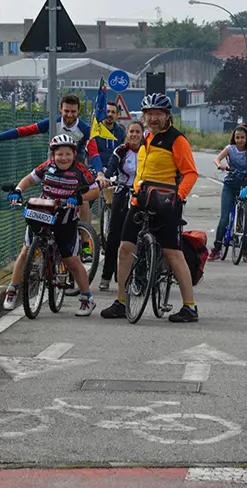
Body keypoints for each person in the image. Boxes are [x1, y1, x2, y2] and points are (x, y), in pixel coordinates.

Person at [100, 93, 200, 323]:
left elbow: (190, 173)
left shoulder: (176, 140)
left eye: (158, 114)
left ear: (167, 116)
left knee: (173, 253)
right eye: (149, 114)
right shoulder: (145, 138)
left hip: (166, 204)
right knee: (125, 249)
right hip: (139, 202)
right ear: (143, 117)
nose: (153, 118)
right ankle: (121, 302)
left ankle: (190, 307)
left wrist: (179, 197)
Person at [0, 94, 105, 260]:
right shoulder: (53, 122)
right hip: (54, 165)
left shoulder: (85, 129)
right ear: (60, 109)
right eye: (66, 111)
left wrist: (99, 172)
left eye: (73, 111)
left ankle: (85, 243)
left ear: (79, 111)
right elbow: (26, 130)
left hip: (75, 168)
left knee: (83, 200)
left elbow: (93, 152)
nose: (69, 115)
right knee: (46, 198)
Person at [4, 134, 100, 316]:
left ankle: (87, 299)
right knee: (25, 251)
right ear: (53, 155)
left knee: (72, 260)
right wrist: (18, 190)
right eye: (59, 154)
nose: (63, 158)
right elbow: (29, 179)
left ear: (74, 154)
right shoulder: (47, 167)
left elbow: (95, 190)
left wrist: (80, 198)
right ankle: (12, 290)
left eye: (68, 154)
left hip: (66, 217)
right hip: (44, 212)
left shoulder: (80, 170)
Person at [208, 125, 247, 263]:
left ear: (246, 138)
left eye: (242, 137)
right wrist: (220, 165)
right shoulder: (230, 149)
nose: (240, 140)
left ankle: (246, 251)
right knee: (224, 218)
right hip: (230, 185)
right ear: (234, 138)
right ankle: (217, 249)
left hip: (245, 186)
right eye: (237, 137)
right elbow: (217, 159)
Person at [97, 120, 144, 291]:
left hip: (142, 193)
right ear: (127, 134)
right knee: (114, 235)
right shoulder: (121, 151)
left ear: (142, 134)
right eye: (131, 131)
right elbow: (111, 169)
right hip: (123, 191)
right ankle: (106, 275)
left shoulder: (147, 150)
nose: (134, 135)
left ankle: (139, 276)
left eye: (137, 132)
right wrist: (105, 178)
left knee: (140, 237)